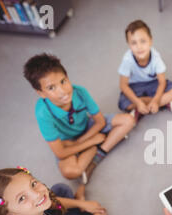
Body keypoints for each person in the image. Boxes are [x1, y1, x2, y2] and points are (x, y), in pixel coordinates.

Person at [24, 53, 135, 184]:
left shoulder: (80, 92)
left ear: (68, 77)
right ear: (41, 93)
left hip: (88, 127)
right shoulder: (42, 113)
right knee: (71, 172)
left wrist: (81, 141)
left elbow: (100, 122)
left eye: (63, 81)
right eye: (51, 88)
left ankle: (98, 155)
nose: (62, 91)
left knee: (128, 120)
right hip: (67, 141)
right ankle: (100, 144)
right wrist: (91, 141)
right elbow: (60, 152)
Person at [118, 19, 172, 122]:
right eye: (134, 43)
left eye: (143, 41)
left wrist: (156, 100)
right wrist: (138, 102)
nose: (139, 47)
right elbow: (123, 85)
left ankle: (145, 106)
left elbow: (162, 82)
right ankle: (162, 103)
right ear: (129, 45)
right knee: (123, 103)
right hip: (135, 87)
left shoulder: (156, 57)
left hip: (153, 84)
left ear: (150, 41)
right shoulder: (127, 59)